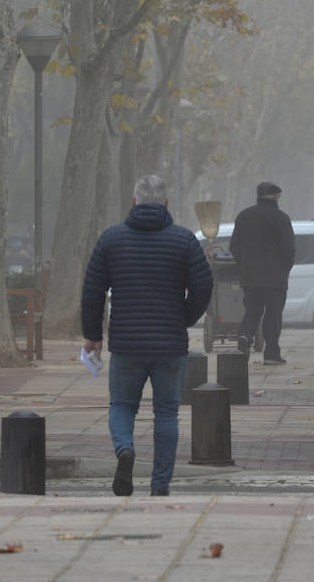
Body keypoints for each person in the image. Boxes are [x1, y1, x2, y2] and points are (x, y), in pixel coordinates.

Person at [81, 174, 212, 497]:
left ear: (134, 202)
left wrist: (92, 334)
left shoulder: (112, 240)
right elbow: (204, 285)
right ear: (166, 204)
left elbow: (92, 291)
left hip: (126, 343)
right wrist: (184, 316)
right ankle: (160, 483)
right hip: (170, 343)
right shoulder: (184, 241)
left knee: (122, 406)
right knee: (166, 412)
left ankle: (125, 450)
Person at [228, 180, 295, 365]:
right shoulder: (281, 218)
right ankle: (271, 354)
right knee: (273, 315)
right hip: (275, 279)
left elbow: (234, 246)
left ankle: (244, 338)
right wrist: (284, 270)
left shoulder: (243, 216)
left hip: (250, 278)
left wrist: (245, 267)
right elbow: (289, 250)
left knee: (252, 312)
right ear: (274, 197)